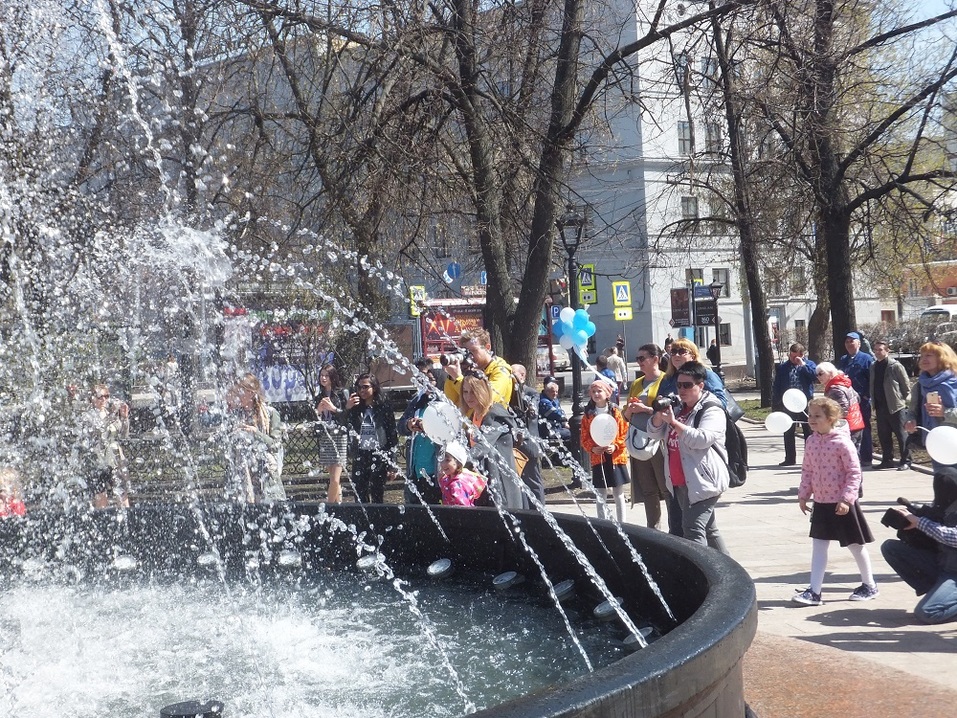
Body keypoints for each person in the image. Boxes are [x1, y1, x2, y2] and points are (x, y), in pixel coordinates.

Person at [791, 397, 878, 605]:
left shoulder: (842, 442)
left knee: (855, 545)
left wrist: (846, 499)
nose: (812, 419)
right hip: (821, 503)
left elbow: (854, 472)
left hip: (842, 504)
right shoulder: (811, 441)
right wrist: (804, 494)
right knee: (819, 546)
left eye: (817, 416)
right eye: (810, 415)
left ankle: (869, 585)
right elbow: (807, 470)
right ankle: (814, 592)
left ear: (831, 419)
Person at [647, 361, 730, 553]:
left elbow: (702, 439)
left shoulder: (712, 409)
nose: (682, 390)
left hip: (703, 480)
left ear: (700, 385)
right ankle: (730, 568)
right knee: (709, 530)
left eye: (687, 385)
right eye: (679, 385)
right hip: (680, 480)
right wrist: (659, 416)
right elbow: (653, 433)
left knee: (692, 529)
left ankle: (701, 570)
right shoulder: (677, 407)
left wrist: (674, 423)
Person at [882, 467, 957, 624]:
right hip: (944, 565)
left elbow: (952, 537)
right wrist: (910, 516)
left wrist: (920, 522)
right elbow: (934, 516)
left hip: (954, 574)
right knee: (890, 548)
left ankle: (943, 597)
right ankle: (935, 592)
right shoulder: (943, 503)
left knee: (926, 613)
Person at [623, 343, 677, 534]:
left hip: (657, 441)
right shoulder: (637, 383)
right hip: (638, 441)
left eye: (642, 358)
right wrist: (630, 410)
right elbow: (625, 415)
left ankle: (675, 529)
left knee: (665, 487)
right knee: (647, 488)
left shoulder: (665, 380)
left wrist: (645, 409)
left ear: (655, 359)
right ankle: (653, 530)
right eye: (637, 359)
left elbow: (667, 411)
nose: (639, 362)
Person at [460, 372, 523, 509]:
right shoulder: (474, 415)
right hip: (483, 482)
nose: (468, 397)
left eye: (473, 392)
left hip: (501, 485)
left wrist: (459, 463)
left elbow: (482, 446)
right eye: (465, 392)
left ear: (484, 390)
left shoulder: (495, 415)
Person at [225, 374, 286, 503]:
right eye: (236, 392)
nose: (237, 395)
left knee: (269, 510)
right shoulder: (235, 415)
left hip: (266, 475)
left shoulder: (270, 413)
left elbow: (275, 444)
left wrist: (256, 433)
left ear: (251, 393)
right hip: (242, 475)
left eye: (240, 392)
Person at [580, 380, 629, 523]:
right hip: (598, 457)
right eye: (593, 392)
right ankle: (602, 522)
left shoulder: (615, 411)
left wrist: (615, 446)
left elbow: (624, 432)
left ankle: (622, 523)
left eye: (599, 391)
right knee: (600, 493)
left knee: (618, 493)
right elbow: (584, 437)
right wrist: (592, 448)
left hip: (615, 457)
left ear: (607, 393)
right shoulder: (588, 415)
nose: (596, 394)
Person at [904, 341, 957, 473]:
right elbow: (912, 411)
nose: (923, 359)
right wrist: (910, 421)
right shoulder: (920, 385)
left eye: (929, 355)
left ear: (942, 357)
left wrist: (945, 412)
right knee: (943, 481)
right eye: (922, 356)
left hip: (954, 441)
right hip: (937, 445)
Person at [346, 373, 398, 504]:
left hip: (379, 454)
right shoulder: (355, 408)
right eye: (359, 387)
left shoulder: (384, 407)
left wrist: (392, 464)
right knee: (359, 493)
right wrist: (347, 408)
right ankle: (362, 517)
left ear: (374, 387)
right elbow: (343, 425)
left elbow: (392, 435)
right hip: (360, 454)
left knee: (377, 493)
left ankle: (377, 517)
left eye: (365, 387)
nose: (362, 390)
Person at [78, 383, 131, 508]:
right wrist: (112, 415)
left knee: (122, 494)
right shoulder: (88, 416)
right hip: (97, 460)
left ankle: (127, 517)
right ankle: (103, 517)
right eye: (100, 397)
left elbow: (123, 435)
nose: (104, 400)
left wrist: (124, 418)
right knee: (101, 496)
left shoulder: (110, 413)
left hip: (115, 459)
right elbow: (100, 432)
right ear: (93, 398)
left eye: (106, 396)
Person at [398, 366, 442, 504]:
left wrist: (428, 425)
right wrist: (408, 425)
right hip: (415, 471)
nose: (427, 383)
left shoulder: (445, 404)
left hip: (435, 471)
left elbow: (449, 432)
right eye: (425, 379)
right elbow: (400, 426)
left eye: (431, 379)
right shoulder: (418, 401)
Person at [442, 328, 512, 413]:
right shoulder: (470, 370)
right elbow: (450, 401)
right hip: (471, 420)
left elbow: (487, 399)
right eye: (465, 352)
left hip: (491, 420)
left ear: (487, 348)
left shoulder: (500, 370)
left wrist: (457, 378)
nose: (469, 356)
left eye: (473, 351)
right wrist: (452, 377)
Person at [771, 343, 817, 467]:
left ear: (802, 355)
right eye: (791, 356)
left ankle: (810, 459)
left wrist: (803, 365)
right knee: (788, 430)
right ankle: (790, 458)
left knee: (808, 430)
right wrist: (776, 402)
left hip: (805, 402)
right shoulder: (783, 367)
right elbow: (777, 385)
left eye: (796, 357)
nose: (793, 359)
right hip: (788, 402)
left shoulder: (809, 364)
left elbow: (814, 377)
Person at [869, 341, 911, 471]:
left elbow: (906, 386)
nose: (877, 352)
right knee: (884, 435)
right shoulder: (873, 366)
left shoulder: (895, 366)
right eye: (875, 350)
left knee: (902, 435)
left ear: (887, 351)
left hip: (896, 406)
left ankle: (906, 460)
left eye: (880, 350)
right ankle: (887, 460)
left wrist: (904, 402)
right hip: (880, 406)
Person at [510, 364, 545, 507]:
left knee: (533, 480)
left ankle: (539, 511)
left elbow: (532, 412)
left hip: (528, 443)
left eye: (513, 374)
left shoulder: (531, 393)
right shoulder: (506, 392)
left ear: (522, 376)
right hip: (512, 444)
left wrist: (529, 407)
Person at [838, 331, 875, 467]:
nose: (849, 344)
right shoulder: (843, 360)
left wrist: (866, 395)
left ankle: (866, 457)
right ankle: (851, 457)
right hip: (847, 401)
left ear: (858, 343)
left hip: (862, 400)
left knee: (864, 427)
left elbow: (872, 380)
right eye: (847, 342)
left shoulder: (866, 359)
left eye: (852, 341)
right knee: (849, 428)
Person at [314, 363, 349, 504]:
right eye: (321, 375)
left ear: (332, 377)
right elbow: (314, 419)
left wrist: (333, 409)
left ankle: (329, 507)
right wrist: (318, 411)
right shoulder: (319, 396)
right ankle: (339, 507)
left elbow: (347, 416)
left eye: (326, 376)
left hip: (339, 437)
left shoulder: (341, 394)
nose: (323, 378)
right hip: (325, 437)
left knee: (335, 479)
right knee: (334, 479)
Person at [657, 338, 728, 407]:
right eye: (673, 352)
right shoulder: (668, 378)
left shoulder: (707, 375)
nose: (676, 355)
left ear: (693, 357)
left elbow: (721, 402)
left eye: (682, 351)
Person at [815, 362, 865, 452]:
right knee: (854, 454)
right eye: (817, 375)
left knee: (847, 455)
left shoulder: (835, 389)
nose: (818, 377)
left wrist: (827, 419)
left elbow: (842, 411)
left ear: (830, 373)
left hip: (847, 426)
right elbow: (858, 398)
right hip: (856, 423)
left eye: (821, 374)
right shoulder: (844, 383)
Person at [437, 440, 488, 507]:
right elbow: (445, 484)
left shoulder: (458, 485)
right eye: (442, 459)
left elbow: (462, 510)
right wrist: (440, 479)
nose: (443, 464)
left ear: (458, 462)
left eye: (447, 460)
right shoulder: (450, 477)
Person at [538, 376, 570, 444]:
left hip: (557, 427)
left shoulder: (554, 399)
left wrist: (564, 423)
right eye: (553, 391)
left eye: (556, 391)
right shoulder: (543, 401)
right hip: (550, 430)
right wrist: (565, 419)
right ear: (546, 389)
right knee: (572, 433)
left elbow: (561, 412)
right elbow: (556, 414)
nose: (555, 393)